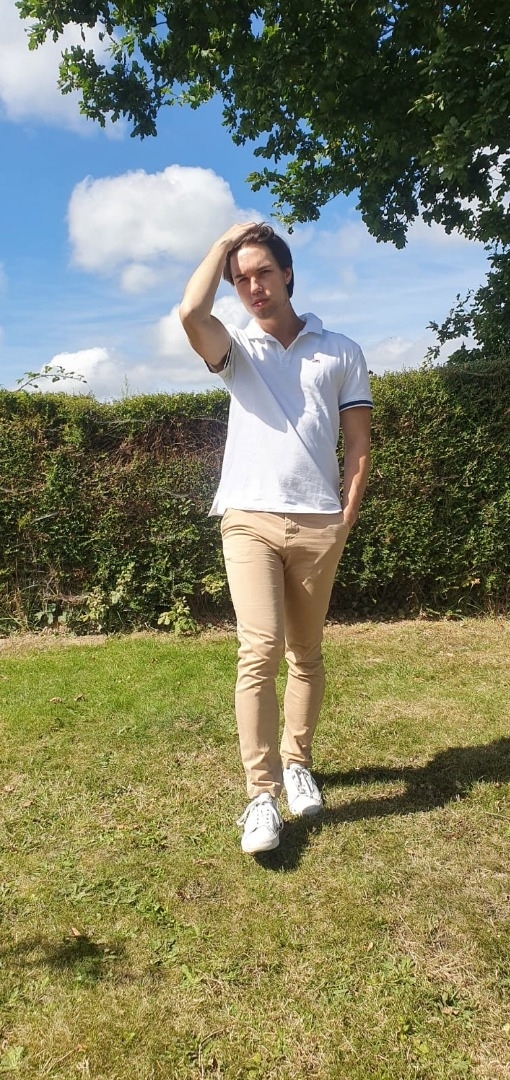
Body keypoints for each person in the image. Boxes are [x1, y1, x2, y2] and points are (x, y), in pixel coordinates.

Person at [179, 222, 372, 854]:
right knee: (259, 650)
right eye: (240, 279)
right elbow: (190, 313)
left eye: (263, 272)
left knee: (306, 654)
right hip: (248, 518)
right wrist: (222, 244)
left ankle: (297, 764)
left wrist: (345, 515)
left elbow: (358, 441)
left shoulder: (340, 350)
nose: (253, 286)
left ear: (287, 274)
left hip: (318, 522)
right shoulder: (236, 348)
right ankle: (261, 795)